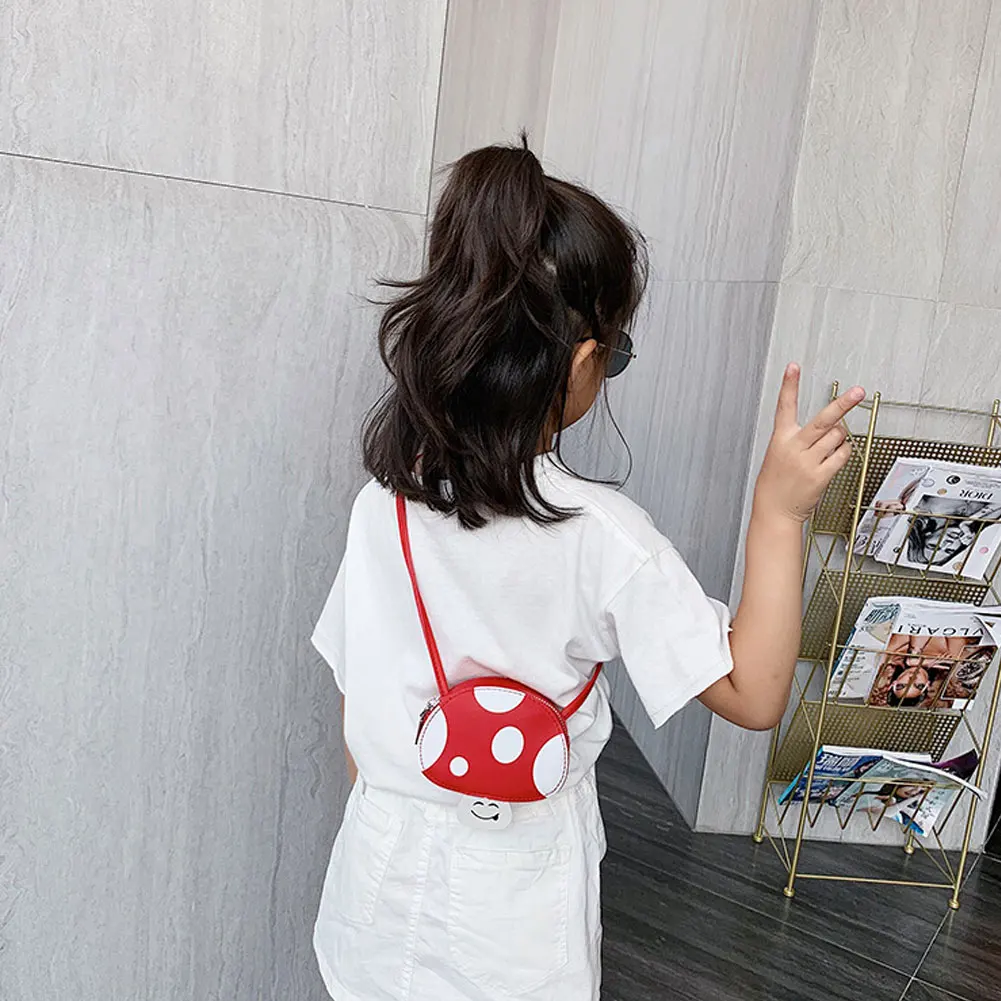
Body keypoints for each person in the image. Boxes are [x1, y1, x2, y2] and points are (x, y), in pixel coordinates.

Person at [309, 138, 863, 1001]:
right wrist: (779, 512)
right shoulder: (600, 535)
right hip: (513, 911)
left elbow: (360, 708)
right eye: (616, 352)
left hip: (377, 878)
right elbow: (753, 693)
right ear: (577, 364)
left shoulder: (383, 502)